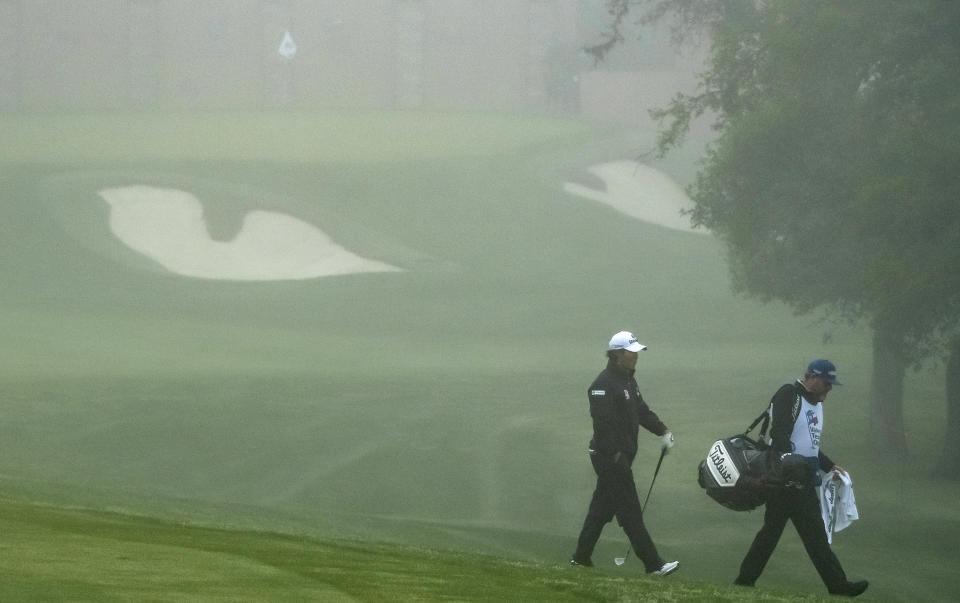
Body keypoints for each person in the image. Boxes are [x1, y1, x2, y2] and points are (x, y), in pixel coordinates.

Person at [734, 359, 868, 597]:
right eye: (826, 383)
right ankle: (838, 585)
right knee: (804, 534)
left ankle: (745, 581)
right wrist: (790, 464)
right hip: (786, 478)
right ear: (810, 377)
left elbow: (810, 447)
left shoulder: (816, 404)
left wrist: (829, 466)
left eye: (831, 385)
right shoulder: (789, 394)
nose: (829, 388)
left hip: (800, 478)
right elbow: (780, 433)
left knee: (783, 533)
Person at [570, 331, 678, 576]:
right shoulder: (602, 384)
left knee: (600, 510)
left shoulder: (628, 380)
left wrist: (663, 430)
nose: (636, 356)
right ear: (618, 354)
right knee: (630, 511)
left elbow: (641, 410)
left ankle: (580, 558)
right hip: (609, 457)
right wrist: (616, 456)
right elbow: (602, 425)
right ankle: (654, 564)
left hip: (621, 456)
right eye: (632, 352)